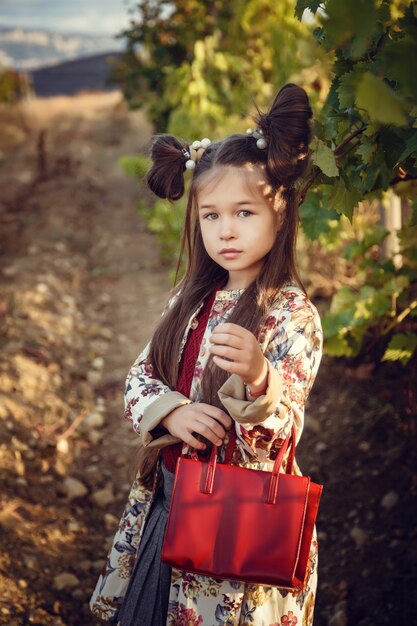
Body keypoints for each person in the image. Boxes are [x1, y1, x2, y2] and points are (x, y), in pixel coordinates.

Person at [90, 82, 323, 626]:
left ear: (281, 210)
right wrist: (173, 410)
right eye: (211, 216)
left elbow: (282, 426)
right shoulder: (188, 300)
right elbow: (139, 377)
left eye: (244, 212)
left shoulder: (290, 314)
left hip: (242, 517)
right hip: (172, 501)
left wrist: (261, 377)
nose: (226, 231)